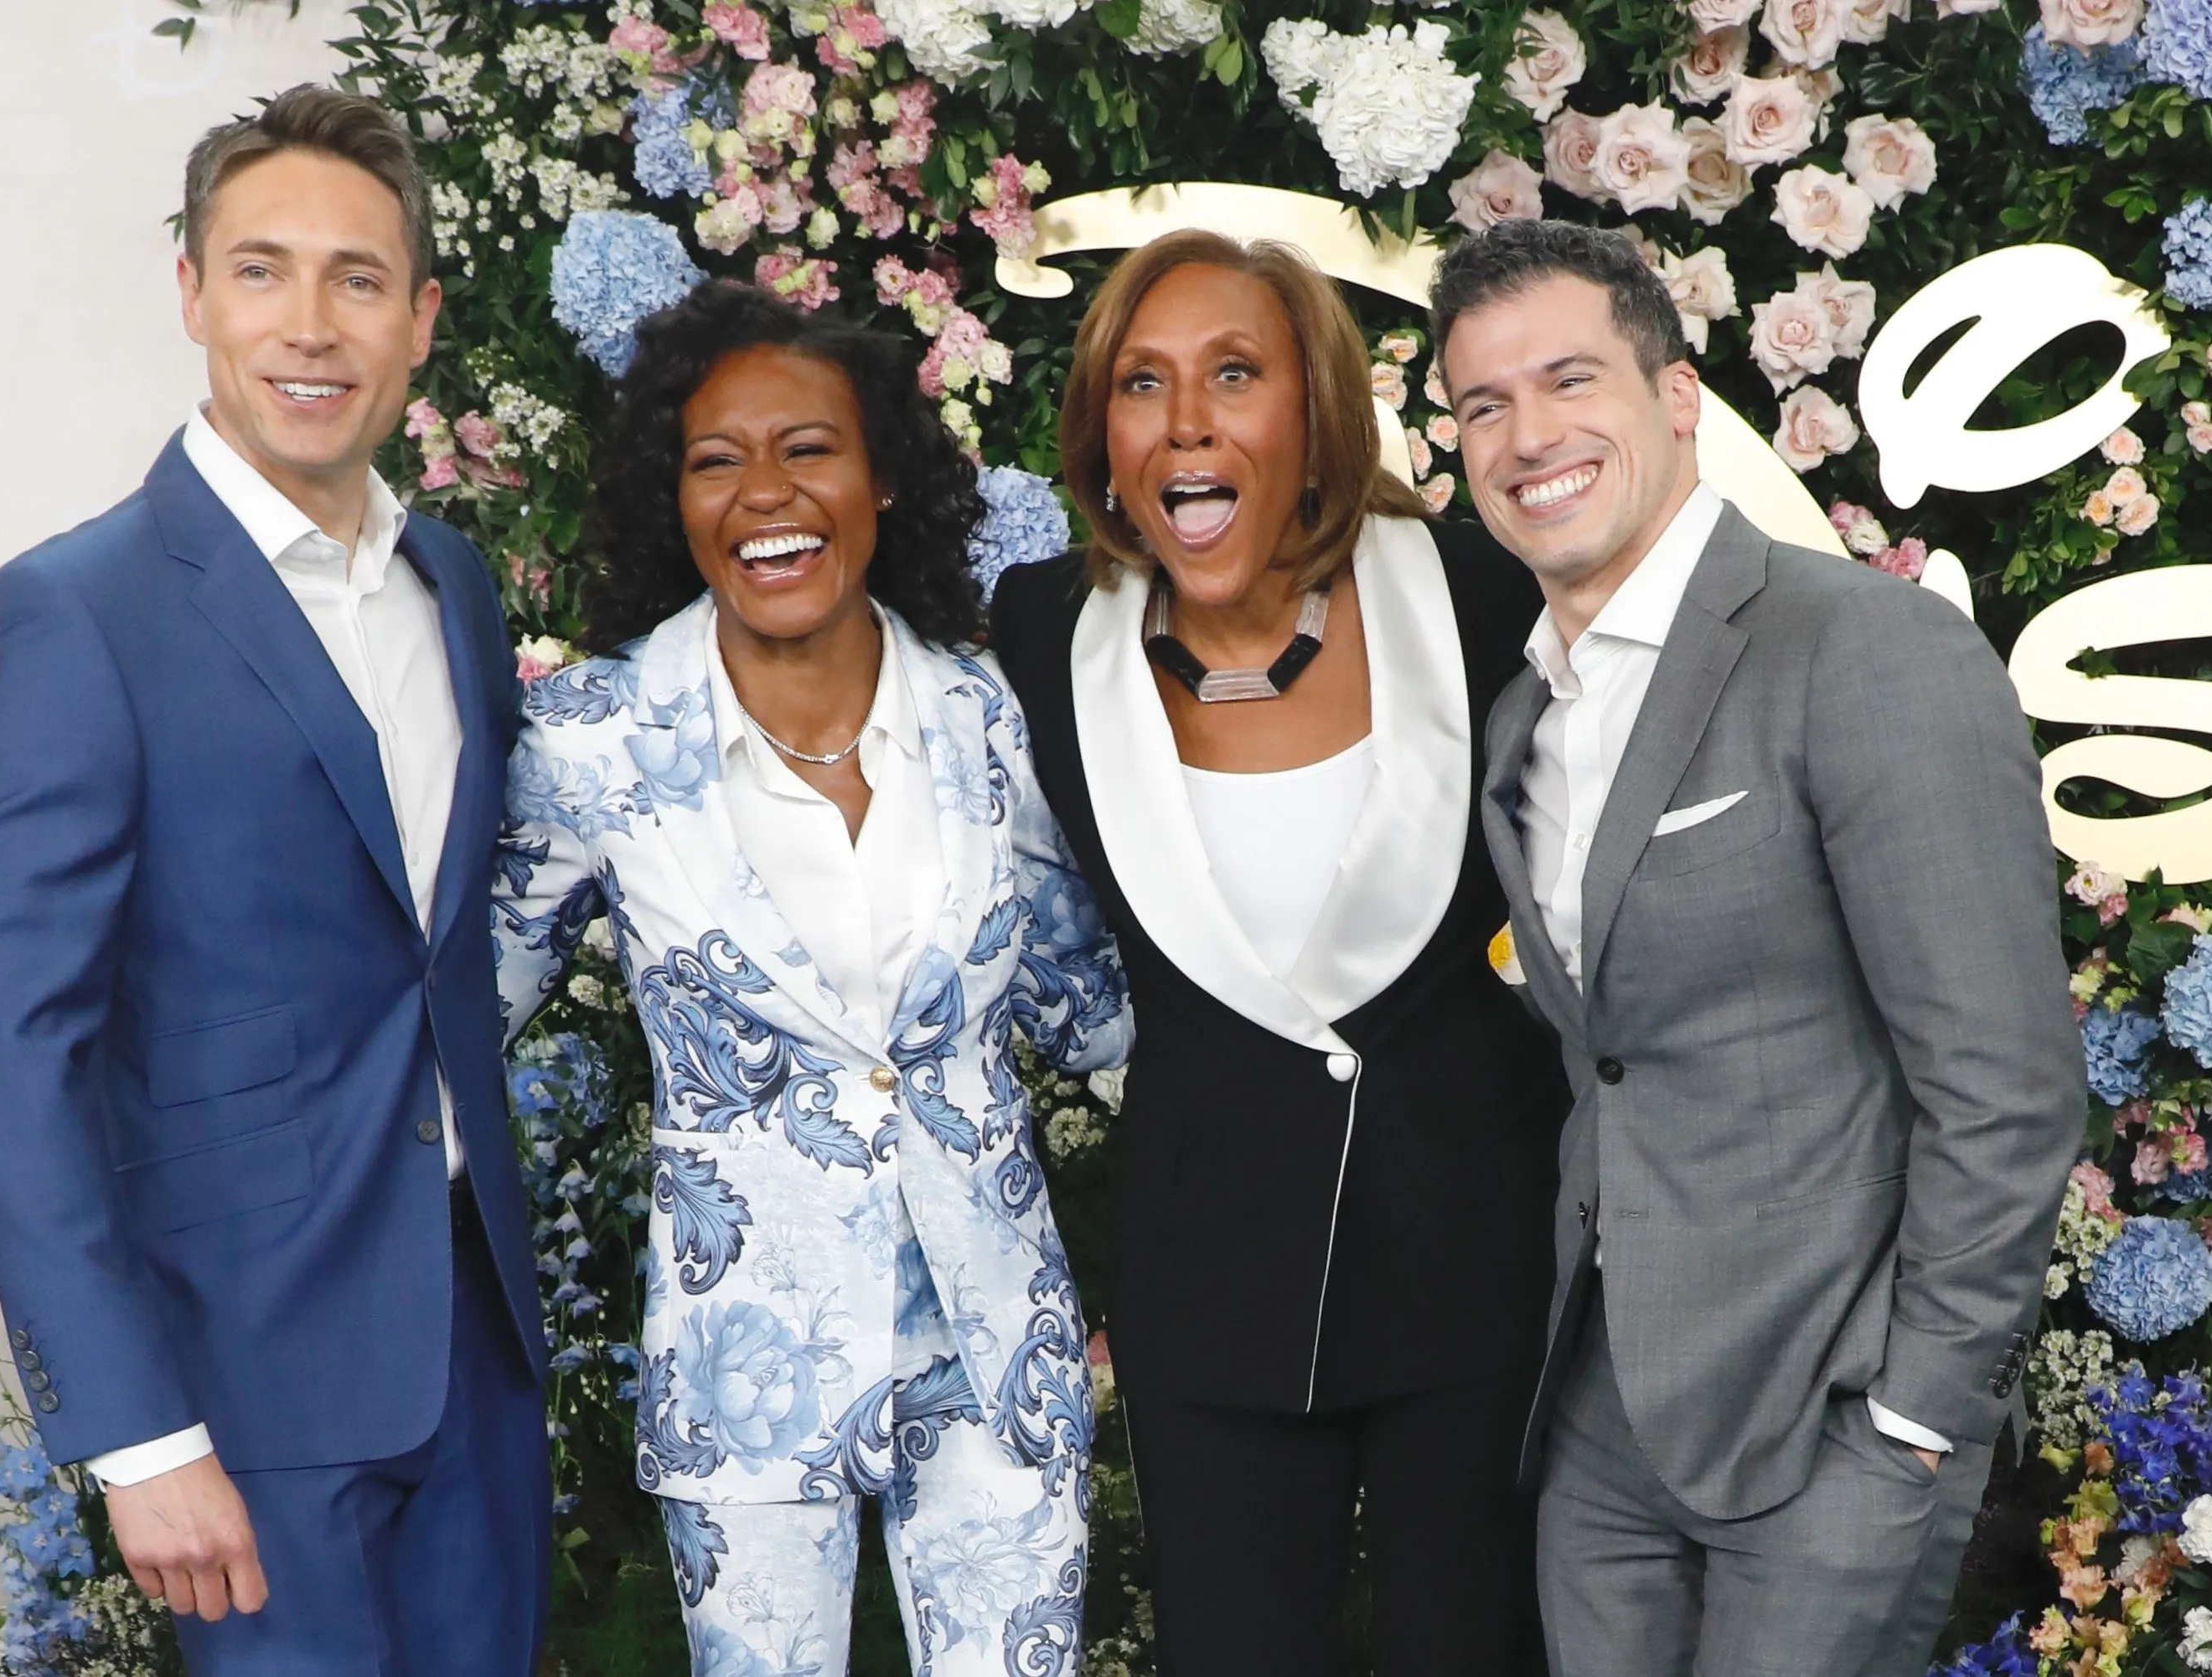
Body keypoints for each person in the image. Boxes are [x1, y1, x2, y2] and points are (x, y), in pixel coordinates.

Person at [0, 87, 550, 1674]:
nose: (310, 324)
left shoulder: (453, 587)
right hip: (240, 1393)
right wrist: (138, 1433)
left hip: (473, 1358)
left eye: (357, 278)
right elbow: (2, 1047)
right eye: (263, 270)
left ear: (419, 319)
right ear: (194, 293)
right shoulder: (75, 613)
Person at [1432, 217, 2084, 1677]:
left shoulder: (1861, 647)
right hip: (1601, 1424)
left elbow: (2006, 1085)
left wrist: (1915, 1415)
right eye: (1483, 405)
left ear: (1676, 398)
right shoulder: (1523, 715)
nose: (1528, 436)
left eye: (1568, 380)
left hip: (1828, 1427)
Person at [491, 280, 1131, 1677]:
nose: (765, 493)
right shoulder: (591, 738)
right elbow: (461, 1011)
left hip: (994, 1352)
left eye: (808, 448)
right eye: (716, 460)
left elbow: (1101, 1017)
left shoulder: (992, 715)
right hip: (746, 1361)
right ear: (673, 499)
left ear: (881, 477)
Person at [988, 230, 1569, 1676]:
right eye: (1141, 384)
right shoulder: (1043, 634)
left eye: (1234, 374)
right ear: (1103, 438)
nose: (1185, 420)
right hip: (1210, 1289)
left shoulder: (1482, 594)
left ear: (1313, 414)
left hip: (1472, 1266)